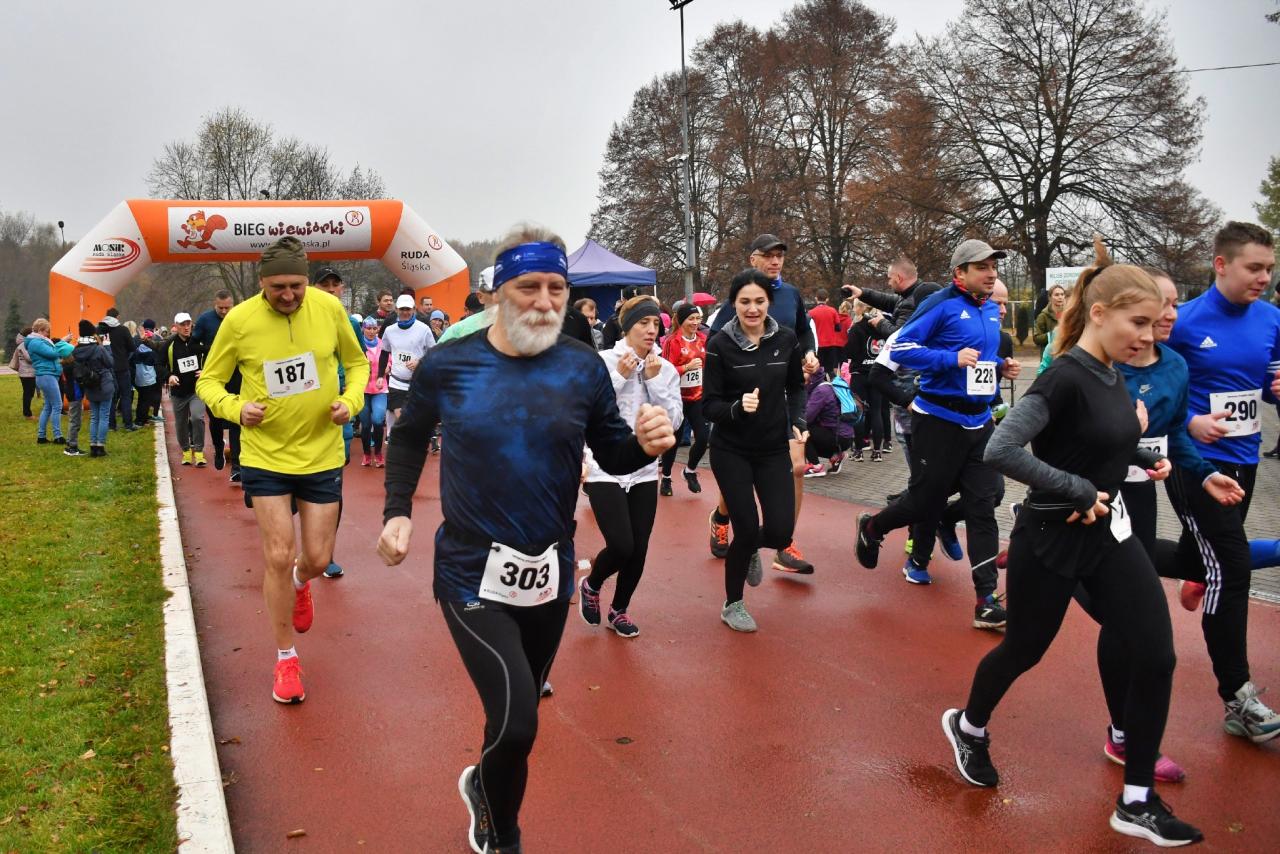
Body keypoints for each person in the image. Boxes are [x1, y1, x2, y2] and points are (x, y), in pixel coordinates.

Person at [377, 224, 674, 853]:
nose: (544, 301)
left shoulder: (580, 370)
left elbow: (612, 453)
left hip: (550, 567)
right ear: (495, 294)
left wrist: (643, 443)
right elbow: (406, 438)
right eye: (528, 287)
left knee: (514, 719)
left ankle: (485, 788)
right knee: (518, 719)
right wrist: (397, 510)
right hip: (468, 569)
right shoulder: (450, 365)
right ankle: (504, 834)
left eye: (556, 288)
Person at [944, 244, 1203, 847]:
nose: (1148, 335)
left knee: (1156, 655)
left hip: (1109, 535)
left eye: (1154, 321)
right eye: (1138, 321)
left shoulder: (1113, 373)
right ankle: (971, 726)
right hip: (1051, 536)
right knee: (1024, 650)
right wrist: (1079, 486)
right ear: (1100, 313)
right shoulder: (1062, 375)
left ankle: (1136, 800)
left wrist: (1140, 454)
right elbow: (1002, 450)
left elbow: (1091, 440)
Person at [197, 236, 368, 704]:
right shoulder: (240, 320)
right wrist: (235, 408)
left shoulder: (330, 311)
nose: (288, 295)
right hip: (265, 455)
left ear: (307, 280)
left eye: (296, 285)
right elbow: (208, 380)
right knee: (276, 552)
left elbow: (356, 365)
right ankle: (285, 658)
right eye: (278, 287)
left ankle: (299, 583)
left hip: (321, 454)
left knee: (315, 558)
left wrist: (350, 402)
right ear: (261, 283)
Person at [854, 239, 1016, 629]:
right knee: (925, 502)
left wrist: (1000, 367)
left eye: (994, 266)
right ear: (960, 273)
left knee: (984, 505)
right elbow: (903, 347)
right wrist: (949, 359)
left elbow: (979, 363)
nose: (991, 272)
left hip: (979, 422)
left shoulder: (992, 310)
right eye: (982, 266)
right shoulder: (940, 304)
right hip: (938, 421)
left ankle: (985, 600)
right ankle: (873, 527)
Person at [1164, 221, 1280, 742]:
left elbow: (1269, 388)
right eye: (1254, 268)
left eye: (1270, 268)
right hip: (1195, 465)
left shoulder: (1273, 320)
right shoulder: (1183, 322)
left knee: (1205, 559)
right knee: (1232, 568)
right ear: (1221, 265)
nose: (1265, 278)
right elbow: (1149, 385)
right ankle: (1238, 697)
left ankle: (1079, 551)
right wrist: (1188, 421)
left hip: (1246, 460)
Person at [708, 234, 820, 575]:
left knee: (797, 466)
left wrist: (809, 354)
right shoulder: (739, 297)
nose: (775, 261)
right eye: (768, 256)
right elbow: (715, 343)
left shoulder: (791, 295)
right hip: (741, 406)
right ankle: (723, 516)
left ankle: (781, 543)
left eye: (780, 256)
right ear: (753, 259)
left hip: (780, 398)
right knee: (740, 479)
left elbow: (802, 332)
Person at [703, 269, 808, 632]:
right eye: (745, 302)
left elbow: (796, 387)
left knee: (780, 533)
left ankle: (745, 550)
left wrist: (799, 419)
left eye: (759, 301)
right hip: (731, 449)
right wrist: (736, 407)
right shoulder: (719, 345)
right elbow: (709, 406)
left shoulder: (787, 339)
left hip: (771, 448)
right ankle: (733, 604)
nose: (752, 309)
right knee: (746, 528)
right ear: (734, 304)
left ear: (769, 303)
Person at [579, 295, 682, 637]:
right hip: (604, 466)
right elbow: (586, 410)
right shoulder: (603, 361)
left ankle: (619, 609)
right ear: (627, 326)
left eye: (657, 324)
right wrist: (620, 378)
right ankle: (592, 585)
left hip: (644, 469)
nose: (652, 330)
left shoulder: (664, 369)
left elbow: (676, 421)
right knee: (621, 544)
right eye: (644, 323)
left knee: (639, 548)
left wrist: (653, 382)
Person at [659, 303, 711, 494]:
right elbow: (664, 371)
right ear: (681, 321)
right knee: (674, 440)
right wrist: (685, 368)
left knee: (704, 437)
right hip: (677, 399)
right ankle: (666, 478)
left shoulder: (703, 340)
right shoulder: (672, 342)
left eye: (697, 318)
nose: (695, 322)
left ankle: (689, 470)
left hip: (697, 397)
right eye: (691, 319)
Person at [192, 291, 242, 478]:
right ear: (215, 304)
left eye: (227, 308)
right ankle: (219, 449)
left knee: (237, 417)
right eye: (220, 308)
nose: (223, 311)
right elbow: (193, 345)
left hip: (237, 374)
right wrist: (211, 350)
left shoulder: (240, 317)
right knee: (215, 418)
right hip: (214, 374)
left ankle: (237, 466)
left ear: (232, 304)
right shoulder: (205, 320)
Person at [381, 294, 436, 440]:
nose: (405, 312)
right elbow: (384, 352)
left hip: (417, 383)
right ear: (396, 310)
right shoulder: (390, 330)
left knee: (414, 422)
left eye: (408, 309)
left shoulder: (423, 329)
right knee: (402, 418)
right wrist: (381, 375)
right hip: (396, 382)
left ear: (413, 310)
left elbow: (434, 353)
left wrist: (420, 362)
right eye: (402, 309)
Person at [160, 312, 209, 467]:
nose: (186, 327)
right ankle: (186, 452)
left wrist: (206, 370)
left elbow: (214, 356)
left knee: (197, 417)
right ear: (176, 326)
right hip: (179, 392)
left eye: (188, 324)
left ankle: (199, 453)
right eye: (182, 324)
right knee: (180, 423)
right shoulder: (169, 345)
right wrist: (169, 376)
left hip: (197, 389)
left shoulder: (199, 342)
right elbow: (158, 364)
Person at [71, 319, 117, 457]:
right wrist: (107, 346)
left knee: (94, 417)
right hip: (104, 384)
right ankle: (100, 446)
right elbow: (110, 363)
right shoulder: (99, 348)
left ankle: (92, 446)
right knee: (104, 416)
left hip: (89, 385)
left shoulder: (76, 350)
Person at [801, 363, 856, 477]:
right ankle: (836, 456)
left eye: (803, 372)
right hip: (846, 436)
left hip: (838, 436)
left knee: (802, 429)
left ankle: (815, 466)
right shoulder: (825, 385)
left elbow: (807, 417)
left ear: (811, 373)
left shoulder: (820, 391)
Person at [25, 319, 73, 444]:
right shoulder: (35, 342)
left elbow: (52, 351)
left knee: (48, 406)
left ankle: (41, 437)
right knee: (57, 405)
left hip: (47, 376)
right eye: (47, 331)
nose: (48, 334)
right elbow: (53, 353)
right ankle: (58, 436)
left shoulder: (38, 341)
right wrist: (63, 342)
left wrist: (62, 341)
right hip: (47, 376)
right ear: (40, 330)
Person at [97, 307, 137, 431]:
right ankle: (128, 424)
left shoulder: (99, 330)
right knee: (125, 395)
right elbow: (132, 347)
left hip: (106, 367)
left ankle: (111, 425)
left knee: (111, 397)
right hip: (122, 366)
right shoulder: (123, 330)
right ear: (117, 317)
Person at [357, 316, 389, 467]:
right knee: (365, 422)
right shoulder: (358, 345)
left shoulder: (383, 344)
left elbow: (390, 360)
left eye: (374, 328)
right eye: (368, 328)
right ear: (363, 329)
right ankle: (366, 454)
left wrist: (388, 367)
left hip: (380, 388)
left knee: (377, 420)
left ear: (377, 329)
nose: (371, 331)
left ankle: (378, 453)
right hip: (362, 389)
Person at [808, 289, 844, 376]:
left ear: (816, 299)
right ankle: (830, 387)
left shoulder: (811, 313)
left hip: (817, 346)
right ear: (827, 299)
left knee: (817, 370)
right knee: (830, 370)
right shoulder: (833, 311)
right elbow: (838, 328)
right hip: (831, 344)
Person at [130, 333, 163, 424]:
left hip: (139, 378)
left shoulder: (136, 351)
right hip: (149, 379)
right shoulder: (152, 353)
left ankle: (140, 417)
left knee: (141, 399)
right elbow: (156, 363)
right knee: (146, 400)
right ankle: (141, 420)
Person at [10, 327, 36, 418]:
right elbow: (29, 358)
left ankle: (27, 413)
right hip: (27, 373)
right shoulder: (24, 344)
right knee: (28, 394)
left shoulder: (22, 344)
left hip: (26, 373)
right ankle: (27, 414)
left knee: (29, 393)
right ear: (28, 335)